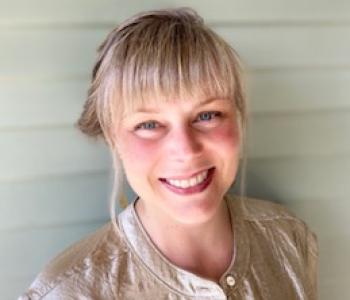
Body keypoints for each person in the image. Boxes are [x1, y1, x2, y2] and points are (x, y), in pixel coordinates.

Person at [19, 7, 318, 300]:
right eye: (149, 124)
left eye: (207, 115)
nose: (185, 150)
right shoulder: (67, 292)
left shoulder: (290, 240)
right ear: (112, 137)